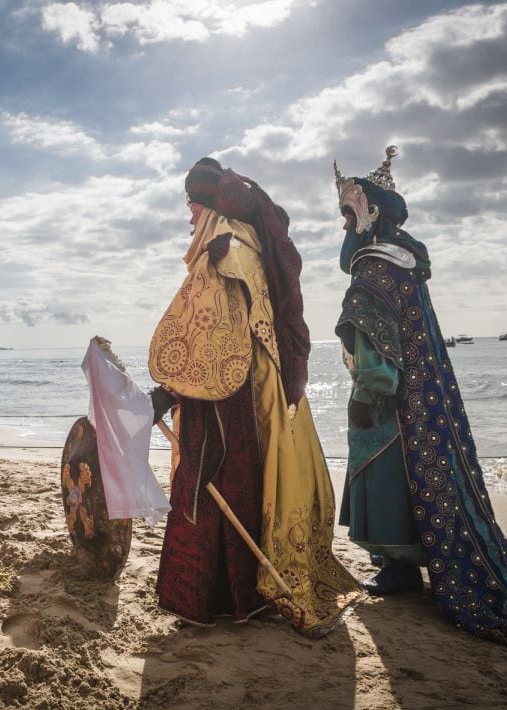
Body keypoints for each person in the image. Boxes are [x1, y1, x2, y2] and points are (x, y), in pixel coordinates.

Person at [333, 146, 507, 645]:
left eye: (350, 216)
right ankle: (412, 563)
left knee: (388, 468)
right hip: (427, 389)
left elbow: (373, 340)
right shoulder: (407, 263)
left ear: (369, 215)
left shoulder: (374, 265)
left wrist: (371, 390)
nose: (346, 228)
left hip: (392, 394)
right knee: (426, 470)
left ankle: (398, 569)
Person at [147, 157, 359, 637]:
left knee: (212, 482)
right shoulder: (251, 248)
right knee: (251, 481)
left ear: (208, 208)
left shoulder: (223, 251)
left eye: (192, 207)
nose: (189, 218)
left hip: (229, 391)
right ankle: (248, 596)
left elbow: (208, 337)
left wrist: (166, 391)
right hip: (259, 386)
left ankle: (218, 600)